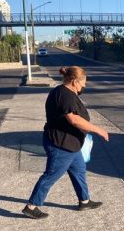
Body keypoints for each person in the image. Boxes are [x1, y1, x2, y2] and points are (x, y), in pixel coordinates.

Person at [22, 66, 110, 219]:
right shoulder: (64, 94)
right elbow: (74, 119)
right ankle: (31, 206)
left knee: (79, 170)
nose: (84, 86)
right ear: (74, 81)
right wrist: (98, 130)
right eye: (83, 83)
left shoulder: (65, 91)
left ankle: (84, 201)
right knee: (51, 175)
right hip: (61, 144)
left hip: (71, 145)